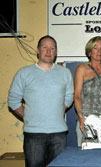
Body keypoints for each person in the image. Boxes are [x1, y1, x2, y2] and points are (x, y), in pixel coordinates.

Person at [8, 35, 74, 167]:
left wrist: (54, 112)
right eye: (45, 47)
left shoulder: (65, 73)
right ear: (38, 50)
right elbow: (13, 101)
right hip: (34, 135)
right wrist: (28, 116)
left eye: (52, 48)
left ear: (56, 52)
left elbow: (69, 97)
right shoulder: (24, 73)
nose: (48, 51)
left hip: (59, 134)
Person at [74, 36, 101, 148]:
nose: (99, 51)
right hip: (86, 121)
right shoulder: (81, 69)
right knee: (85, 159)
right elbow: (77, 96)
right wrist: (81, 117)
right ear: (89, 50)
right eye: (95, 48)